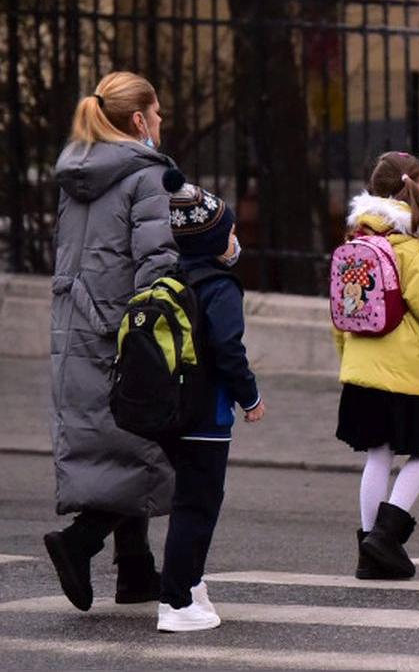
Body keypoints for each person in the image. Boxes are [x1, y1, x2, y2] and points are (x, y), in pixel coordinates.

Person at [44, 71, 178, 612]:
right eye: (158, 112)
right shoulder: (147, 176)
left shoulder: (76, 173)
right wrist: (158, 329)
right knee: (147, 441)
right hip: (122, 329)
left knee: (121, 443)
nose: (162, 121)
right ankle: (80, 540)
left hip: (75, 326)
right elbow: (156, 260)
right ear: (139, 119)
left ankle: (136, 569)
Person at [335, 152, 419, 581]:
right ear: (415, 186)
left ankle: (369, 550)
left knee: (378, 454)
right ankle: (386, 537)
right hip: (405, 368)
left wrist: (347, 357)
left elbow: (340, 313)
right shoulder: (413, 243)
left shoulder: (356, 238)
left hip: (360, 365)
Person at [155, 177, 265, 632]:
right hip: (207, 414)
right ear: (215, 240)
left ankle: (192, 584)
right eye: (231, 233)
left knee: (191, 499)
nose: (235, 241)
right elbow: (228, 350)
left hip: (171, 411)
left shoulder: (171, 278)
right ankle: (176, 602)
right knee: (197, 507)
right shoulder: (221, 287)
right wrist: (250, 397)